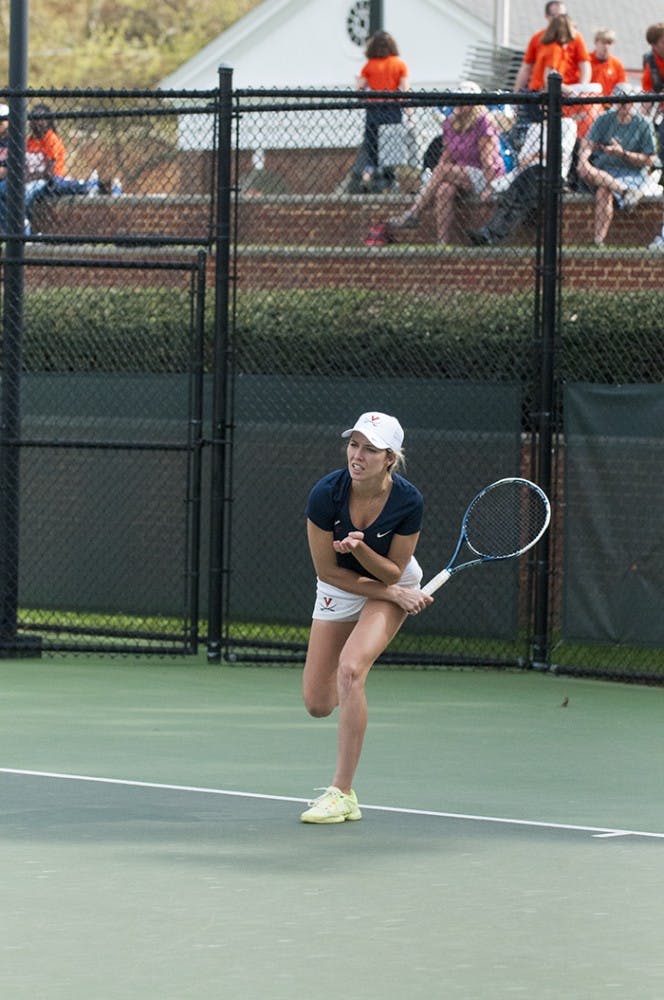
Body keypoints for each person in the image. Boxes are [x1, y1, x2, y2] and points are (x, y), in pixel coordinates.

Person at [300, 411, 433, 824]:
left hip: (390, 582)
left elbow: (394, 572)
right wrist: (389, 591)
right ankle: (348, 692)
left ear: (390, 458)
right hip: (341, 586)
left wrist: (362, 552)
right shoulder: (326, 494)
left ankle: (343, 793)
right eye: (354, 444)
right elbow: (327, 571)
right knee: (319, 703)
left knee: (352, 670)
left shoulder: (408, 501)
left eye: (370, 449)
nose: (358, 455)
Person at [387, 82, 505, 246]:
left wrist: (490, 187)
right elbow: (446, 157)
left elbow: (488, 160)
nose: (458, 103)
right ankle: (443, 243)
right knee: (444, 189)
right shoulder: (451, 123)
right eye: (457, 99)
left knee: (443, 170)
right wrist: (433, 182)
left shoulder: (483, 121)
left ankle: (413, 214)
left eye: (463, 100)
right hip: (459, 175)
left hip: (486, 176)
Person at [468, 116, 577, 245]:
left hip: (551, 173)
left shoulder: (567, 124)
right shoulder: (535, 127)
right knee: (513, 197)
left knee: (517, 195)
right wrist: (492, 186)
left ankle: (490, 234)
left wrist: (534, 155)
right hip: (527, 175)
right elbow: (522, 160)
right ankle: (490, 234)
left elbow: (561, 152)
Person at [576, 83, 657, 245]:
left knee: (603, 191)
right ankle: (626, 193)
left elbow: (650, 159)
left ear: (633, 102)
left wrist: (622, 153)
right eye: (619, 100)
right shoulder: (604, 119)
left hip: (632, 174)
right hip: (605, 171)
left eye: (627, 101)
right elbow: (588, 144)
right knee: (587, 171)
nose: (623, 105)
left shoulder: (643, 124)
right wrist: (583, 159)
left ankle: (598, 239)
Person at [24, 103, 98, 227]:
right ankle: (86, 185)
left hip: (51, 181)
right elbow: (23, 167)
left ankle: (90, 185)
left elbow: (48, 172)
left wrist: (29, 177)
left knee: (27, 192)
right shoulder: (28, 141)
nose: (36, 123)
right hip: (33, 181)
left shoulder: (51, 139)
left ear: (48, 122)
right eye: (33, 119)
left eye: (41, 119)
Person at [356, 31, 409, 192]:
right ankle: (388, 183)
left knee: (372, 147)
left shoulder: (369, 65)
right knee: (390, 148)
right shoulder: (399, 64)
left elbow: (360, 88)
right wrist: (409, 113)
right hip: (392, 109)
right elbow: (405, 90)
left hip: (373, 109)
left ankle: (367, 176)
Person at [589, 28, 626, 98]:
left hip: (611, 103)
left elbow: (622, 85)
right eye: (603, 43)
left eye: (609, 43)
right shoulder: (587, 62)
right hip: (591, 102)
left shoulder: (616, 64)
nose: (606, 46)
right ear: (596, 42)